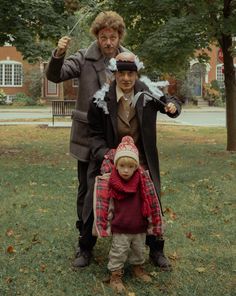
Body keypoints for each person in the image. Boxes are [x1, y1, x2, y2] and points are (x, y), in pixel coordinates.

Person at [45, 11, 130, 266]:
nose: (108, 42)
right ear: (97, 36)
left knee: (123, 188)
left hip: (117, 137)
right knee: (87, 189)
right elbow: (55, 75)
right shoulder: (84, 57)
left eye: (112, 37)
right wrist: (58, 54)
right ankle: (85, 244)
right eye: (103, 37)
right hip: (86, 137)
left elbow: (140, 87)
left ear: (119, 37)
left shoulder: (127, 59)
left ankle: (124, 239)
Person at [85, 52, 182, 269]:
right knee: (94, 198)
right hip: (111, 160)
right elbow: (93, 136)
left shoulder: (147, 94)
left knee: (152, 198)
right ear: (114, 74)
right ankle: (85, 246)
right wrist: (106, 155)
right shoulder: (100, 100)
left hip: (141, 160)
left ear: (136, 74)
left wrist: (173, 107)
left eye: (130, 73)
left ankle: (156, 249)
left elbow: (170, 101)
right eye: (121, 73)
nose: (126, 78)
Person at [93, 135, 163, 293]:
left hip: (139, 226)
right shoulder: (112, 183)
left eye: (130, 166)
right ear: (116, 165)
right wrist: (104, 226)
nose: (126, 170)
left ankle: (137, 268)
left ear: (136, 167)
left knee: (139, 250)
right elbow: (106, 207)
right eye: (122, 165)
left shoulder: (143, 182)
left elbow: (151, 203)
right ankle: (115, 275)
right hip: (121, 227)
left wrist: (154, 224)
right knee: (119, 252)